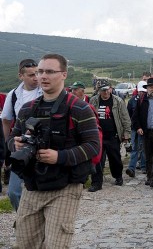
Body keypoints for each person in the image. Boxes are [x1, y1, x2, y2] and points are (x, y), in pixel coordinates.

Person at [7, 53, 100, 248]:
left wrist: (59, 156)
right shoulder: (27, 109)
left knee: (56, 244)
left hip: (65, 187)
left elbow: (93, 146)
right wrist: (15, 145)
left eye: (50, 71)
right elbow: (11, 139)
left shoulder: (80, 108)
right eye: (40, 71)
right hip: (33, 186)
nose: (43, 76)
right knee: (25, 244)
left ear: (64, 74)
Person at [2, 59, 42, 211]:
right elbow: (6, 121)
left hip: (42, 148)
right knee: (13, 192)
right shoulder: (13, 95)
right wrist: (8, 147)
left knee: (39, 190)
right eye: (32, 75)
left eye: (37, 73)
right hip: (20, 148)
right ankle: (22, 218)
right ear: (21, 76)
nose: (36, 78)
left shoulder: (45, 92)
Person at [89, 82, 131, 192]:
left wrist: (126, 134)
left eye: (108, 89)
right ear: (99, 91)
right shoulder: (93, 100)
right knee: (98, 160)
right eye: (103, 90)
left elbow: (125, 118)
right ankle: (96, 183)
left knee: (115, 159)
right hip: (98, 136)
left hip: (113, 135)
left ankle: (118, 177)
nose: (106, 92)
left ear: (111, 89)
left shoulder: (118, 101)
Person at [126, 81, 147, 177]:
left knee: (144, 148)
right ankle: (131, 168)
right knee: (135, 148)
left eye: (143, 91)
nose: (141, 93)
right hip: (135, 128)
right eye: (140, 91)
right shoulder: (132, 101)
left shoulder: (149, 100)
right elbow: (129, 115)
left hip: (146, 128)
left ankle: (144, 166)